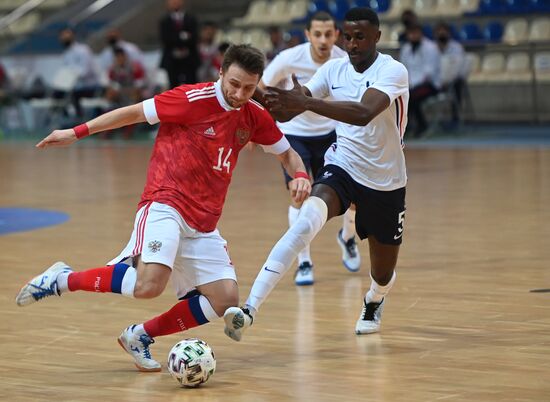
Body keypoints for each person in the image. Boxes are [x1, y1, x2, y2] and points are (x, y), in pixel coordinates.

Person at [15, 44, 311, 372]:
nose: (240, 93)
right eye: (234, 84)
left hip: (204, 223)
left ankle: (139, 335)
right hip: (165, 203)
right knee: (148, 286)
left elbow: (287, 152)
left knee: (224, 301)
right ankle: (61, 279)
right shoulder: (190, 99)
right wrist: (76, 131)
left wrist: (298, 174)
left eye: (248, 87)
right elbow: (133, 112)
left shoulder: (253, 115)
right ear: (221, 73)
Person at [222, 7, 409, 341]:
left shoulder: (392, 70)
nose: (352, 44)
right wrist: (257, 96)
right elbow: (296, 101)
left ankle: (374, 299)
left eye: (360, 37)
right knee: (305, 220)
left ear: (377, 37)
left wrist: (306, 104)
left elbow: (364, 112)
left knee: (383, 273)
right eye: (348, 36)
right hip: (343, 167)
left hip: (386, 180)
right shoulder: (334, 69)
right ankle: (249, 310)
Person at [257, 11, 361, 286]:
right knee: (300, 195)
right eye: (317, 34)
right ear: (308, 35)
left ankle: (348, 238)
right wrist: (267, 119)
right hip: (295, 136)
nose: (323, 39)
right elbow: (262, 85)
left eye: (329, 34)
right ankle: (304, 262)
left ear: (337, 35)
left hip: (330, 134)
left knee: (353, 199)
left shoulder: (342, 59)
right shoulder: (289, 58)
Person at [399, 23, 441, 137]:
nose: (412, 36)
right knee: (399, 96)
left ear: (420, 33)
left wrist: (412, 85)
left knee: (412, 97)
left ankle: (422, 125)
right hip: (411, 84)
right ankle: (404, 125)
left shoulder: (431, 47)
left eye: (415, 33)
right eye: (410, 34)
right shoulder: (406, 48)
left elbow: (429, 72)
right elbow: (403, 68)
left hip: (430, 84)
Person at [57, 27, 102, 118]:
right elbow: (66, 73)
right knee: (57, 93)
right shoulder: (66, 54)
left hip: (90, 86)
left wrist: (71, 75)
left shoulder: (83, 50)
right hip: (75, 87)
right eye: (62, 36)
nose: (64, 37)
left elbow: (85, 71)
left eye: (67, 35)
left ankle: (79, 120)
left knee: (72, 95)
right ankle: (66, 119)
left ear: (73, 36)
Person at [159, 0, 201, 88]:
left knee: (191, 86)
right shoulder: (164, 21)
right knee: (173, 87)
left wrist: (177, 38)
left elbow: (194, 37)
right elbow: (166, 39)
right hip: (172, 60)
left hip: (189, 60)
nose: (175, 3)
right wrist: (183, 37)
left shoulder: (191, 19)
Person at [434, 22, 467, 125]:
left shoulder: (457, 47)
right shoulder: (431, 48)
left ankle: (455, 116)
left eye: (444, 32)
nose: (442, 35)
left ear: (449, 34)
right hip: (436, 79)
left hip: (453, 78)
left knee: (457, 84)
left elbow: (459, 67)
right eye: (439, 33)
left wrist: (449, 79)